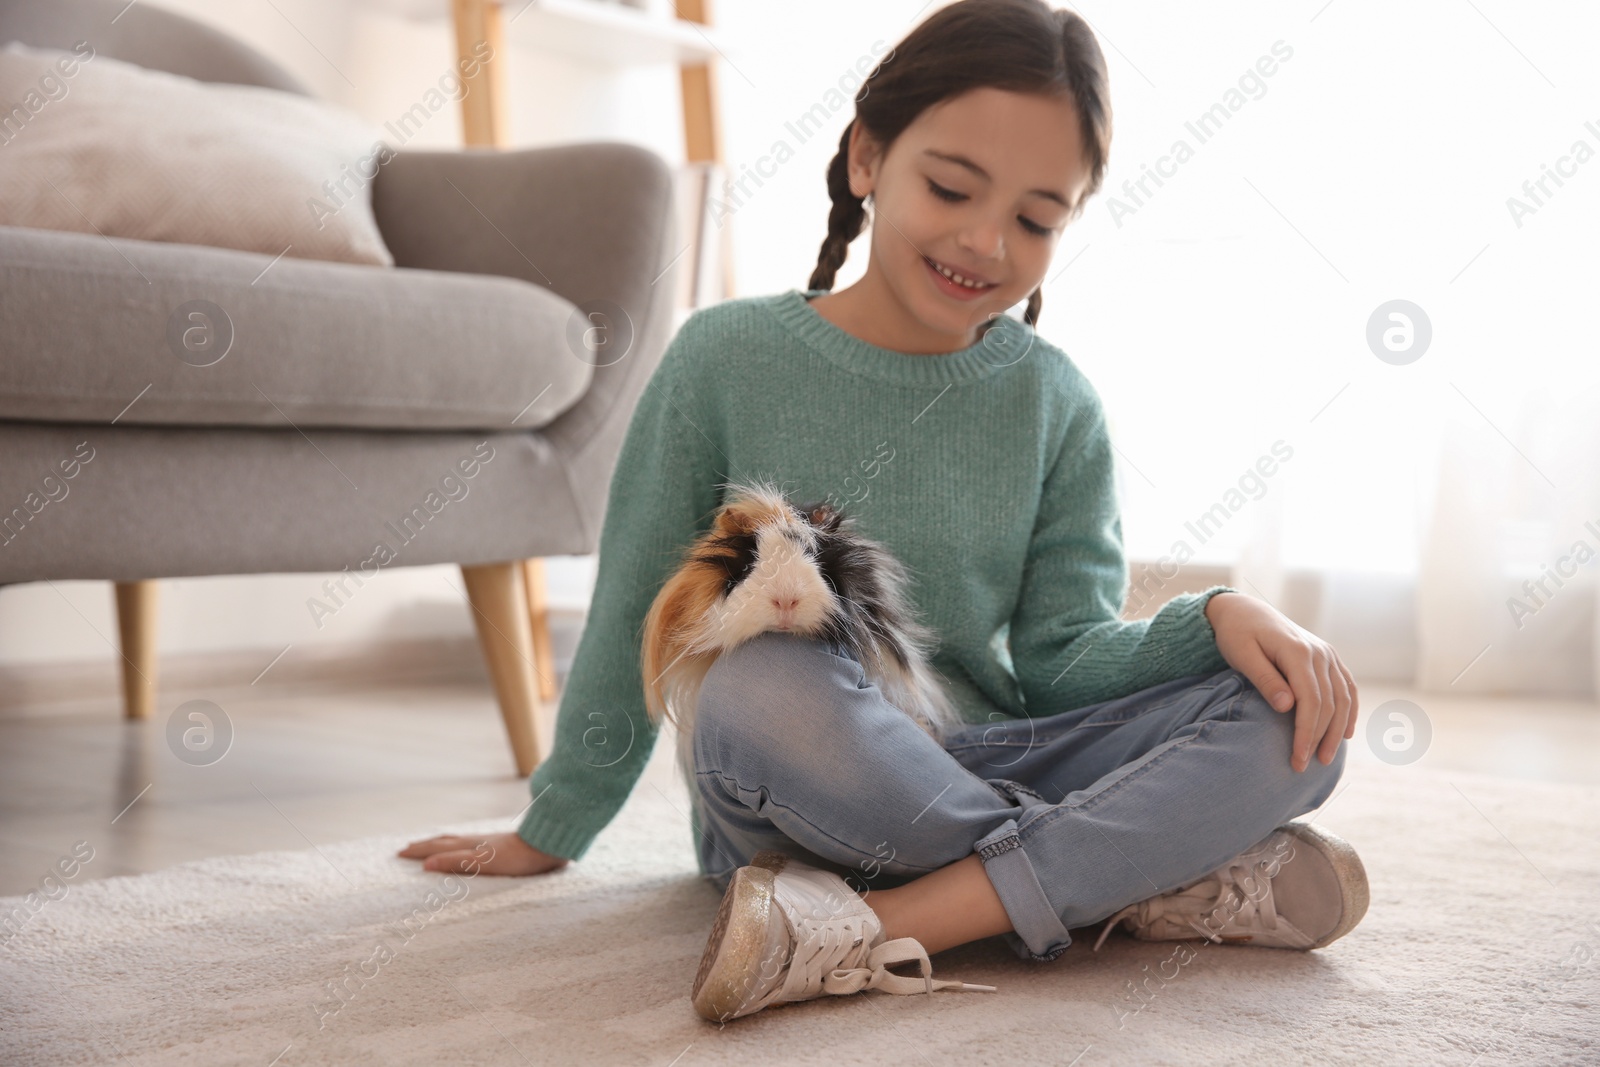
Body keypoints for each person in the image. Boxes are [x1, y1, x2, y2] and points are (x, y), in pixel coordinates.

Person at [401, 0, 1367, 1023]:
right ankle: (1131, 869)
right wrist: (554, 824)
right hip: (811, 778)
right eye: (951, 186)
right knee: (758, 678)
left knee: (1292, 722)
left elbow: (1060, 656)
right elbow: (641, 597)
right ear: (866, 156)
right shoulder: (720, 358)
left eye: (1038, 218)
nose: (986, 239)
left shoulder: (1056, 400)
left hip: (991, 751)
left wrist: (1217, 615)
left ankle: (888, 921)